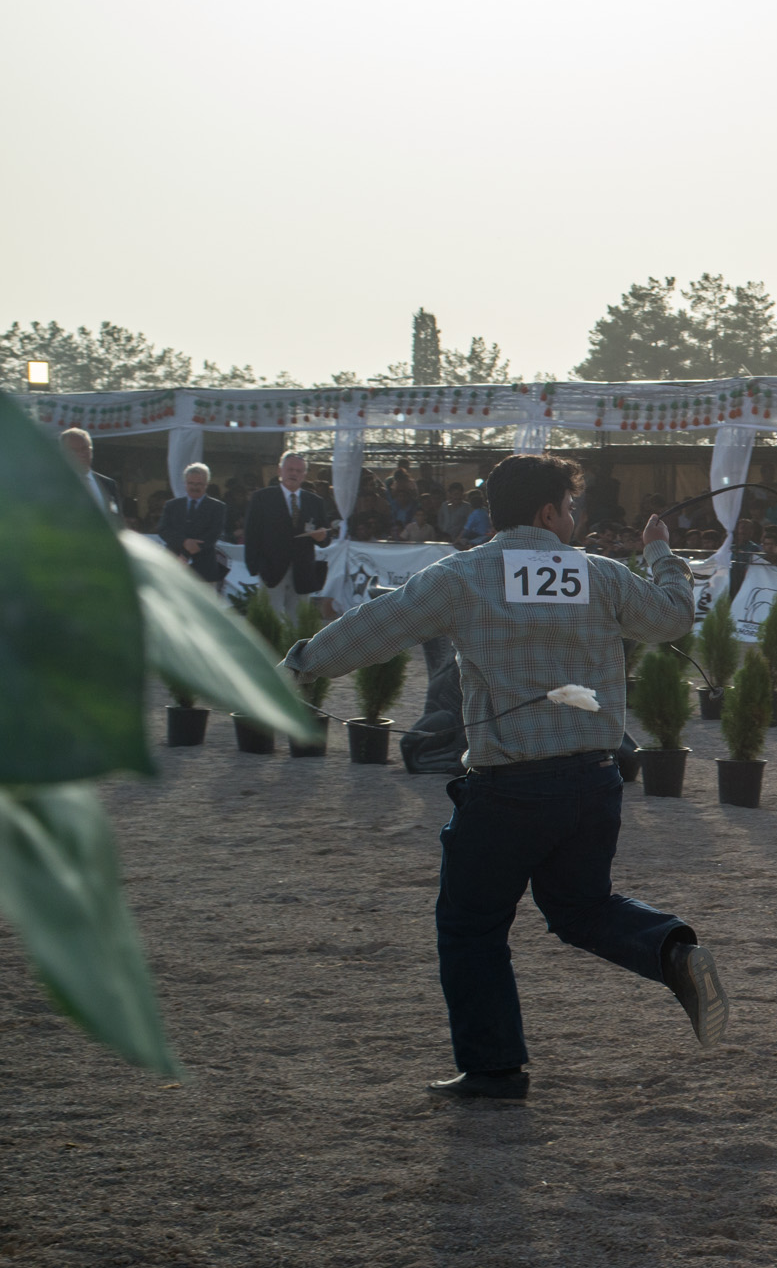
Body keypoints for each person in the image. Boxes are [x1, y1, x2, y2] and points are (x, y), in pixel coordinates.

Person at [281, 453, 725, 1102]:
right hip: (594, 781)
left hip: (507, 790)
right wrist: (660, 552)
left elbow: (374, 627)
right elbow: (673, 617)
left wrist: (298, 665)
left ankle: (494, 1068)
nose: (573, 518)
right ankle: (673, 950)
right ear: (548, 512)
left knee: (471, 924)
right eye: (570, 508)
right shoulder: (599, 575)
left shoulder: (463, 574)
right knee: (583, 907)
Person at [244, 453, 333, 620]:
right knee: (271, 620)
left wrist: (321, 538)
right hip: (271, 570)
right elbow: (251, 534)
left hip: (303, 571)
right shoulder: (262, 498)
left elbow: (326, 538)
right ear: (280, 470)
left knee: (298, 622)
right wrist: (255, 566)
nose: (294, 474)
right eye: (290, 469)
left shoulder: (314, 502)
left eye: (299, 471)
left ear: (304, 474)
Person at [158, 462, 230, 593]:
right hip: (174, 564)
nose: (194, 487)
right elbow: (163, 529)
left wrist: (191, 549)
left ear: (206, 484)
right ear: (185, 483)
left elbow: (215, 533)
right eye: (191, 483)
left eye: (199, 484)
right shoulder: (172, 505)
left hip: (204, 570)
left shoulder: (217, 507)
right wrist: (184, 543)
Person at [58, 427, 123, 525]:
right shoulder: (56, 484)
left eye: (85, 449)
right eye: (74, 450)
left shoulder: (108, 484)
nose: (81, 454)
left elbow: (117, 518)